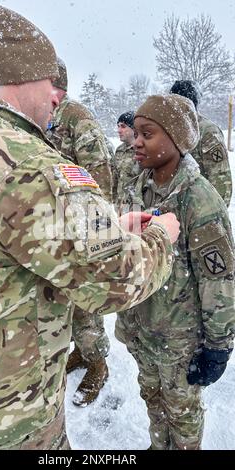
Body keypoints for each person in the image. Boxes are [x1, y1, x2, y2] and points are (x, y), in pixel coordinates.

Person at [0, 5, 180, 450]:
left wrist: (105, 226)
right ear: (18, 75)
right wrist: (160, 234)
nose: (57, 94)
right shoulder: (27, 165)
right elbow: (114, 281)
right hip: (13, 418)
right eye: (50, 80)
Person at [115, 94, 235, 450]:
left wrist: (218, 345)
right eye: (135, 132)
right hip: (143, 330)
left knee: (182, 412)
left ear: (176, 139)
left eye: (147, 134)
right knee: (152, 398)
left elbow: (220, 282)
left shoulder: (198, 199)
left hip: (179, 342)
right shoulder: (139, 187)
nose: (136, 141)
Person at [47, 58, 112, 407]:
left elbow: (101, 177)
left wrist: (98, 240)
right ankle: (81, 352)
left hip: (81, 230)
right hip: (53, 230)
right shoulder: (40, 115)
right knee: (65, 305)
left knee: (86, 305)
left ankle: (98, 364)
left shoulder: (77, 118)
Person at [170, 80, 232, 206]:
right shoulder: (169, 130)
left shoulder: (207, 131)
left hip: (199, 208)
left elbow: (220, 178)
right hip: (174, 209)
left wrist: (215, 215)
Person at [112, 111, 140, 206]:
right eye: (118, 126)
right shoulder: (119, 150)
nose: (119, 130)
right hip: (120, 206)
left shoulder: (143, 150)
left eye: (123, 126)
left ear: (134, 129)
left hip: (136, 207)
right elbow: (115, 180)